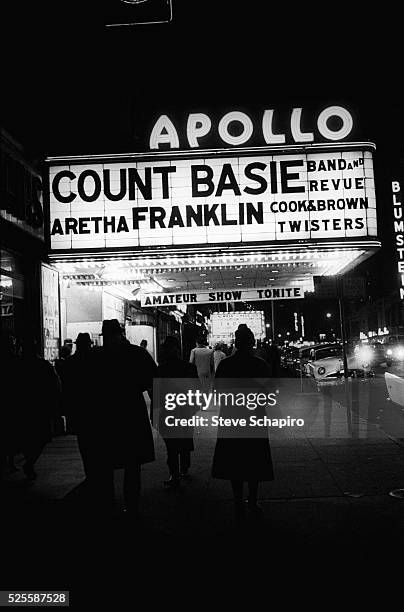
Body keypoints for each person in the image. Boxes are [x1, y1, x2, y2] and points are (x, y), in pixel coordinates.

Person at [83, 319, 157, 517]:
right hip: (131, 413)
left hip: (103, 416)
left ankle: (109, 504)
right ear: (121, 333)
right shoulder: (137, 353)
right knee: (132, 464)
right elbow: (152, 381)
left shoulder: (95, 356)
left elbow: (85, 388)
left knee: (105, 463)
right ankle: (131, 505)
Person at [212, 325, 274, 522]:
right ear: (252, 343)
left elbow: (218, 391)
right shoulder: (261, 365)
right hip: (254, 417)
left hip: (231, 417)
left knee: (234, 460)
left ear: (236, 344)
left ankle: (238, 501)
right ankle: (252, 500)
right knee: (254, 460)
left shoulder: (226, 365)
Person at [156, 336, 198, 487]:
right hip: (185, 410)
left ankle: (175, 475)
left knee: (172, 446)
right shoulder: (189, 368)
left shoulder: (161, 369)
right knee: (185, 440)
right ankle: (184, 468)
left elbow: (157, 393)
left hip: (169, 411)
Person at [19, 339, 62, 481]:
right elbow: (55, 385)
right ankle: (30, 461)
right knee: (41, 437)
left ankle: (29, 460)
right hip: (40, 408)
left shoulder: (18, 365)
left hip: (24, 408)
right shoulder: (43, 365)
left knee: (27, 436)